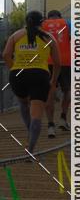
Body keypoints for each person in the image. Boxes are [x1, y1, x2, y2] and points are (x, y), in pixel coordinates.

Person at [2, 10, 60, 155]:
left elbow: (6, 55)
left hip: (18, 74)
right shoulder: (49, 38)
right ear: (42, 22)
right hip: (39, 75)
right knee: (37, 115)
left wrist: (14, 69)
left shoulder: (15, 35)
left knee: (23, 103)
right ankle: (30, 149)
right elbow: (57, 63)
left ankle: (30, 132)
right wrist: (53, 80)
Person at [41, 10, 71, 137]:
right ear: (60, 16)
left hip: (47, 61)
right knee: (67, 90)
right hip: (65, 60)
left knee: (50, 91)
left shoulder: (42, 24)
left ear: (48, 17)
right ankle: (63, 118)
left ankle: (50, 125)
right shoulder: (67, 23)